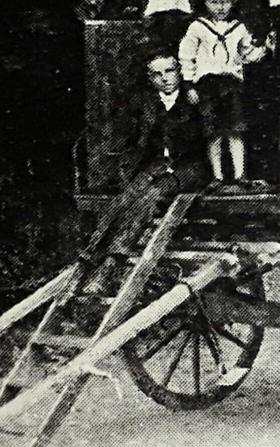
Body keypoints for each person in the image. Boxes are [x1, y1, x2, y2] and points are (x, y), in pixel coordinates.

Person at [82, 52, 207, 295]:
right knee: (126, 198)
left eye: (170, 71)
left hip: (189, 168)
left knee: (150, 198)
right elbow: (133, 141)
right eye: (157, 74)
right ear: (150, 78)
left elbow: (209, 138)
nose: (165, 78)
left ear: (179, 71)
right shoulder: (146, 104)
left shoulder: (195, 100)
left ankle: (110, 266)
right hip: (157, 166)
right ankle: (89, 258)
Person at [179, 0, 275, 188]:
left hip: (231, 85)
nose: (220, 7)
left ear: (233, 3)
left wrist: (265, 48)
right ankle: (217, 177)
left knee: (235, 130)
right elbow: (186, 56)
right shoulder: (197, 27)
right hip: (207, 85)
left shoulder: (238, 28)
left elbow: (247, 55)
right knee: (212, 132)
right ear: (205, 3)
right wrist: (189, 85)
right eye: (214, 2)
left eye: (225, 2)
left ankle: (240, 175)